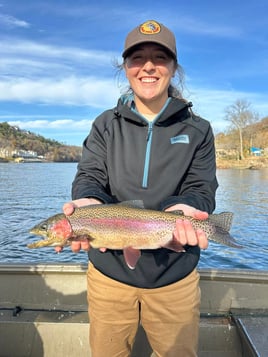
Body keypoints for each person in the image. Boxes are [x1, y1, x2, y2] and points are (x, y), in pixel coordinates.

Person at [60, 20, 218, 357]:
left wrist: (186, 208)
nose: (148, 66)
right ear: (126, 68)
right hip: (109, 274)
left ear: (174, 68)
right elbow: (89, 177)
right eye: (137, 58)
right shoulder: (104, 124)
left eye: (159, 57)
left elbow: (201, 188)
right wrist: (87, 202)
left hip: (175, 274)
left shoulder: (199, 129)